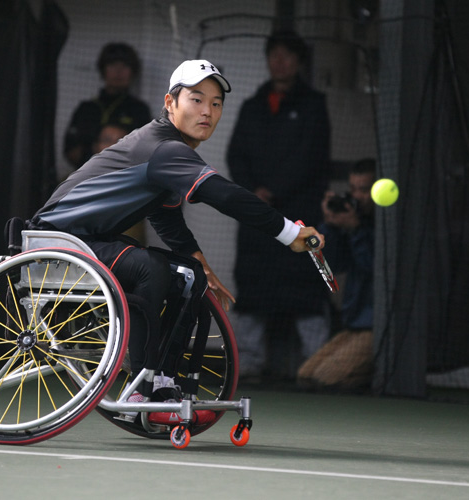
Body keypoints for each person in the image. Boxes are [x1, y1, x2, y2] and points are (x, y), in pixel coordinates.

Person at [29, 59, 325, 409]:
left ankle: (163, 382)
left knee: (188, 276)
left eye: (216, 104)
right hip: (56, 239)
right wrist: (290, 232)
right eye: (196, 100)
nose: (207, 112)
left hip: (90, 242)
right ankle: (143, 382)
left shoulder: (169, 151)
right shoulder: (164, 148)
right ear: (170, 103)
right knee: (149, 268)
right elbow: (226, 195)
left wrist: (201, 266)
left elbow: (166, 217)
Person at [226, 29, 331, 381]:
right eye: (274, 54)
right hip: (258, 217)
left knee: (305, 288)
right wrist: (253, 190)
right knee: (254, 288)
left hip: (300, 214)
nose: (280, 61)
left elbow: (311, 158)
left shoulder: (314, 104)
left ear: (299, 61)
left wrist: (275, 189)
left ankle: (317, 368)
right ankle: (250, 364)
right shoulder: (252, 106)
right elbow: (236, 155)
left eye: (287, 54)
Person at [297, 159, 376, 391]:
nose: (356, 196)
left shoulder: (385, 226)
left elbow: (371, 267)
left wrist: (356, 230)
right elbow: (334, 266)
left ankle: (378, 379)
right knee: (306, 375)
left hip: (378, 327)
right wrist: (331, 225)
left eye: (364, 190)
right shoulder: (354, 223)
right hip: (353, 325)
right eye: (353, 189)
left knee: (326, 378)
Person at [63, 42, 151, 171]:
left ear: (133, 72)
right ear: (103, 69)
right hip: (85, 178)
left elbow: (147, 152)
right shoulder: (86, 108)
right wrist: (95, 149)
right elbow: (70, 151)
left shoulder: (139, 110)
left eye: (125, 66)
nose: (118, 71)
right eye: (112, 65)